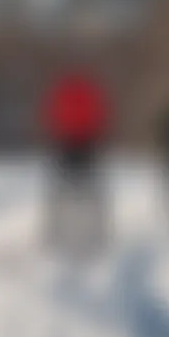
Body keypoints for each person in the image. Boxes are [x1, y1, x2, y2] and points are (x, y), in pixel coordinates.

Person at [41, 67, 112, 259]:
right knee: (90, 190)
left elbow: (52, 117)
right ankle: (96, 232)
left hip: (66, 144)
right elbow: (100, 117)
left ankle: (56, 232)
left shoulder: (62, 94)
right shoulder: (90, 94)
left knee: (61, 191)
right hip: (87, 144)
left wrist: (56, 135)